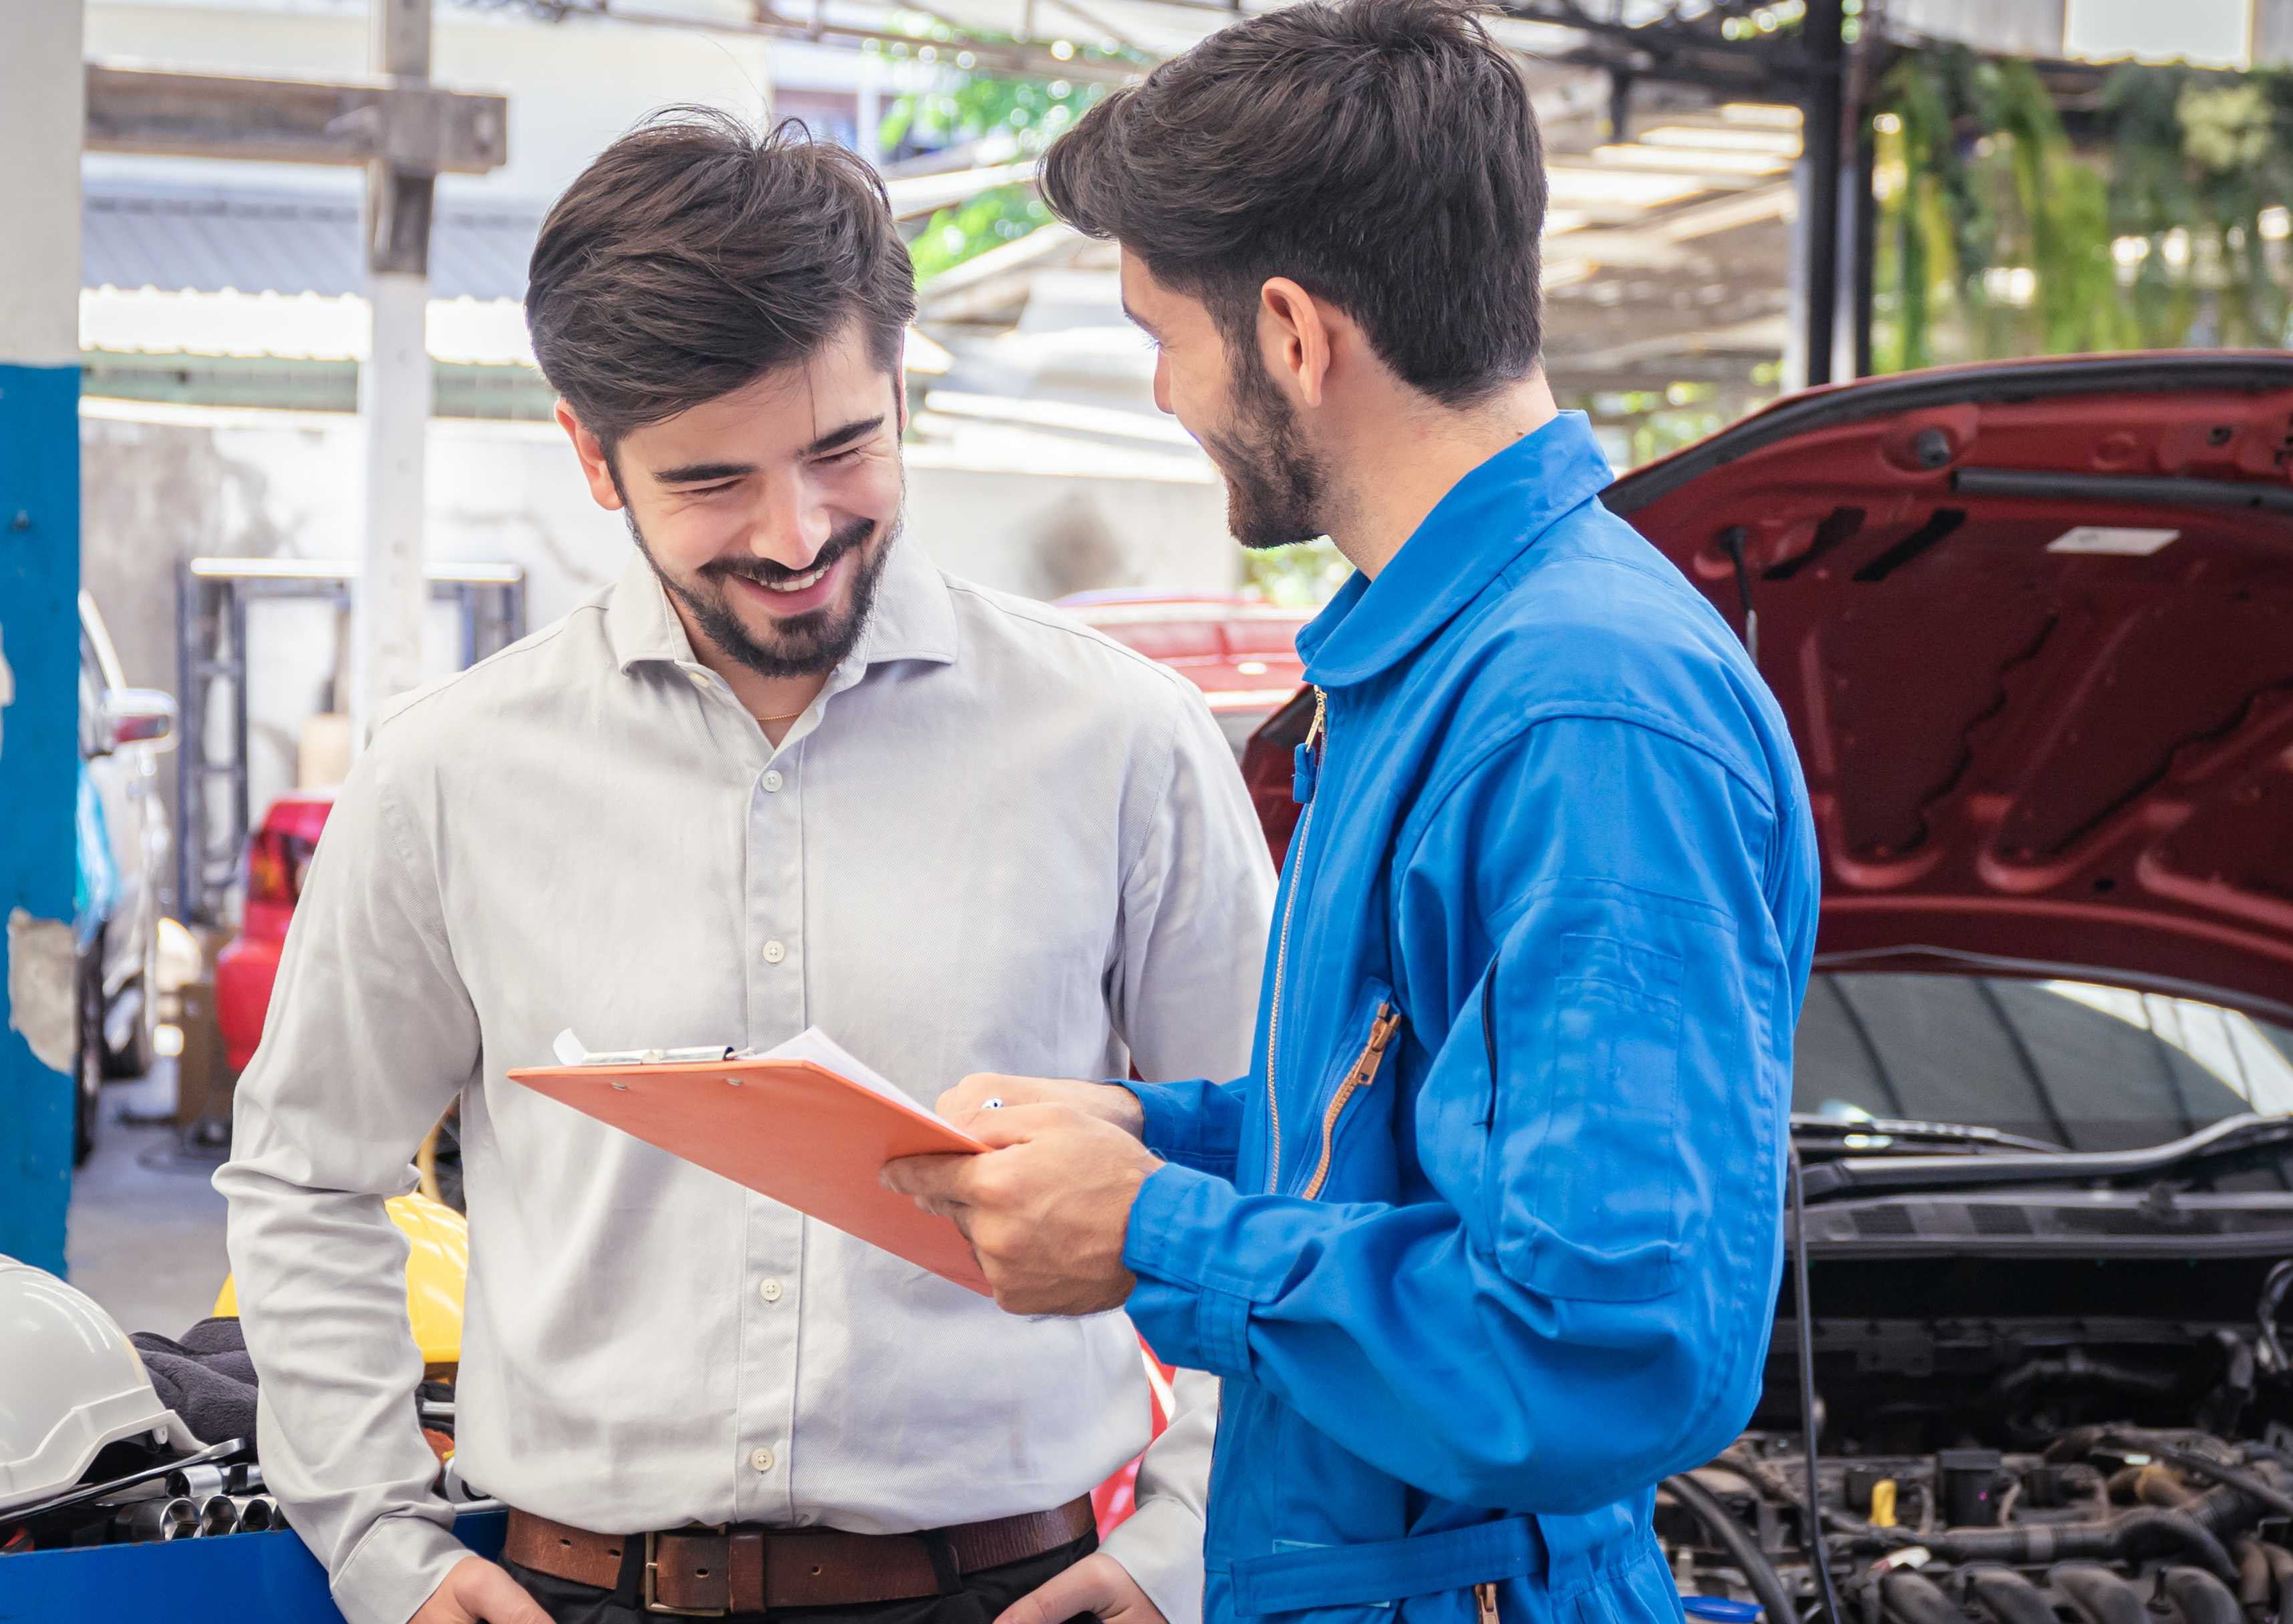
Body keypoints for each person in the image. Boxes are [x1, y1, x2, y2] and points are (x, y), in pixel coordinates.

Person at [218, 112, 1274, 1624]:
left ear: (899, 386)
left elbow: (1299, 1167)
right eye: (713, 481)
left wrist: (1186, 1544)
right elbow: (309, 1177)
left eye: (844, 447)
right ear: (592, 455)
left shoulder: (1122, 741)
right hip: (572, 1592)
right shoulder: (448, 772)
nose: (796, 534)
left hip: (1019, 1591)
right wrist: (383, 1541)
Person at [879, 8, 1823, 1624]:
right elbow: (1428, 1149)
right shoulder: (1444, 669)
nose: (1167, 393)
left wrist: (1157, 1240)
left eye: (1162, 337)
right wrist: (1158, 1136)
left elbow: (1601, 1352)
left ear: (1295, 333)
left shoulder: (1581, 713)